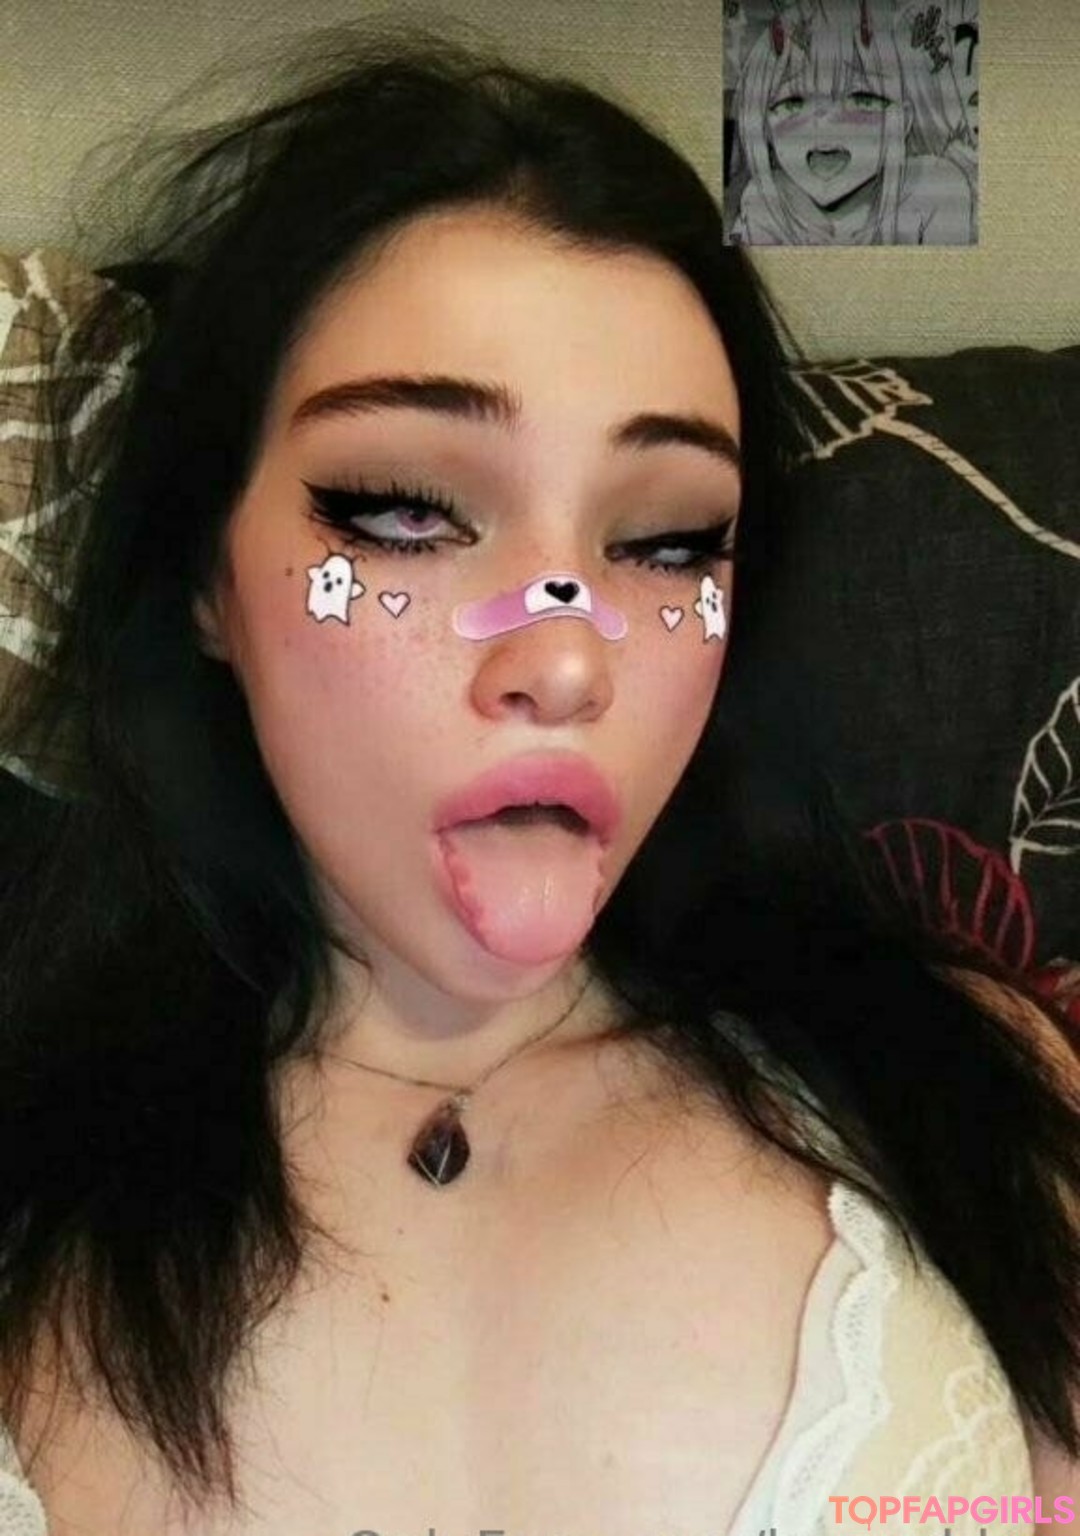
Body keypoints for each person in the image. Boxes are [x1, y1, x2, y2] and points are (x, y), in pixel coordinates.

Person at [0, 28, 1077, 1536]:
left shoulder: (969, 1088)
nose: (567, 660)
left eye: (668, 542)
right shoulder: (35, 1186)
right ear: (204, 583)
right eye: (406, 513)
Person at [727, 0, 975, 245]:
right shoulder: (764, 202)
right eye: (792, 103)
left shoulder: (933, 190)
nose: (824, 122)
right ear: (764, 127)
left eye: (863, 99)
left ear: (904, 120)